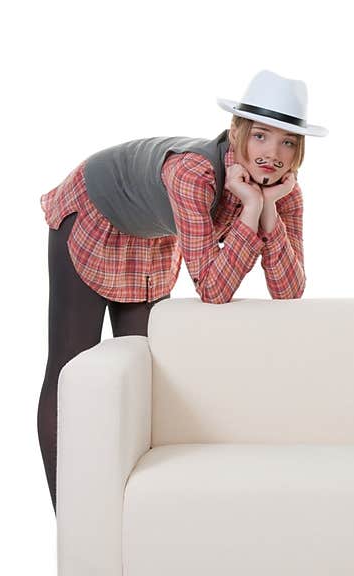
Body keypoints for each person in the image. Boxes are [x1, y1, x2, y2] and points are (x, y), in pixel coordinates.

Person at [37, 70, 327, 511]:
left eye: (288, 142)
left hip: (153, 238)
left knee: (138, 374)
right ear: (237, 132)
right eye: (262, 136)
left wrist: (262, 209)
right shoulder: (194, 173)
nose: (273, 154)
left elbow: (289, 291)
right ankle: (71, 520)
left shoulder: (283, 192)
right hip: (97, 215)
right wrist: (250, 215)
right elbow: (212, 288)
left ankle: (119, 510)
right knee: (71, 370)